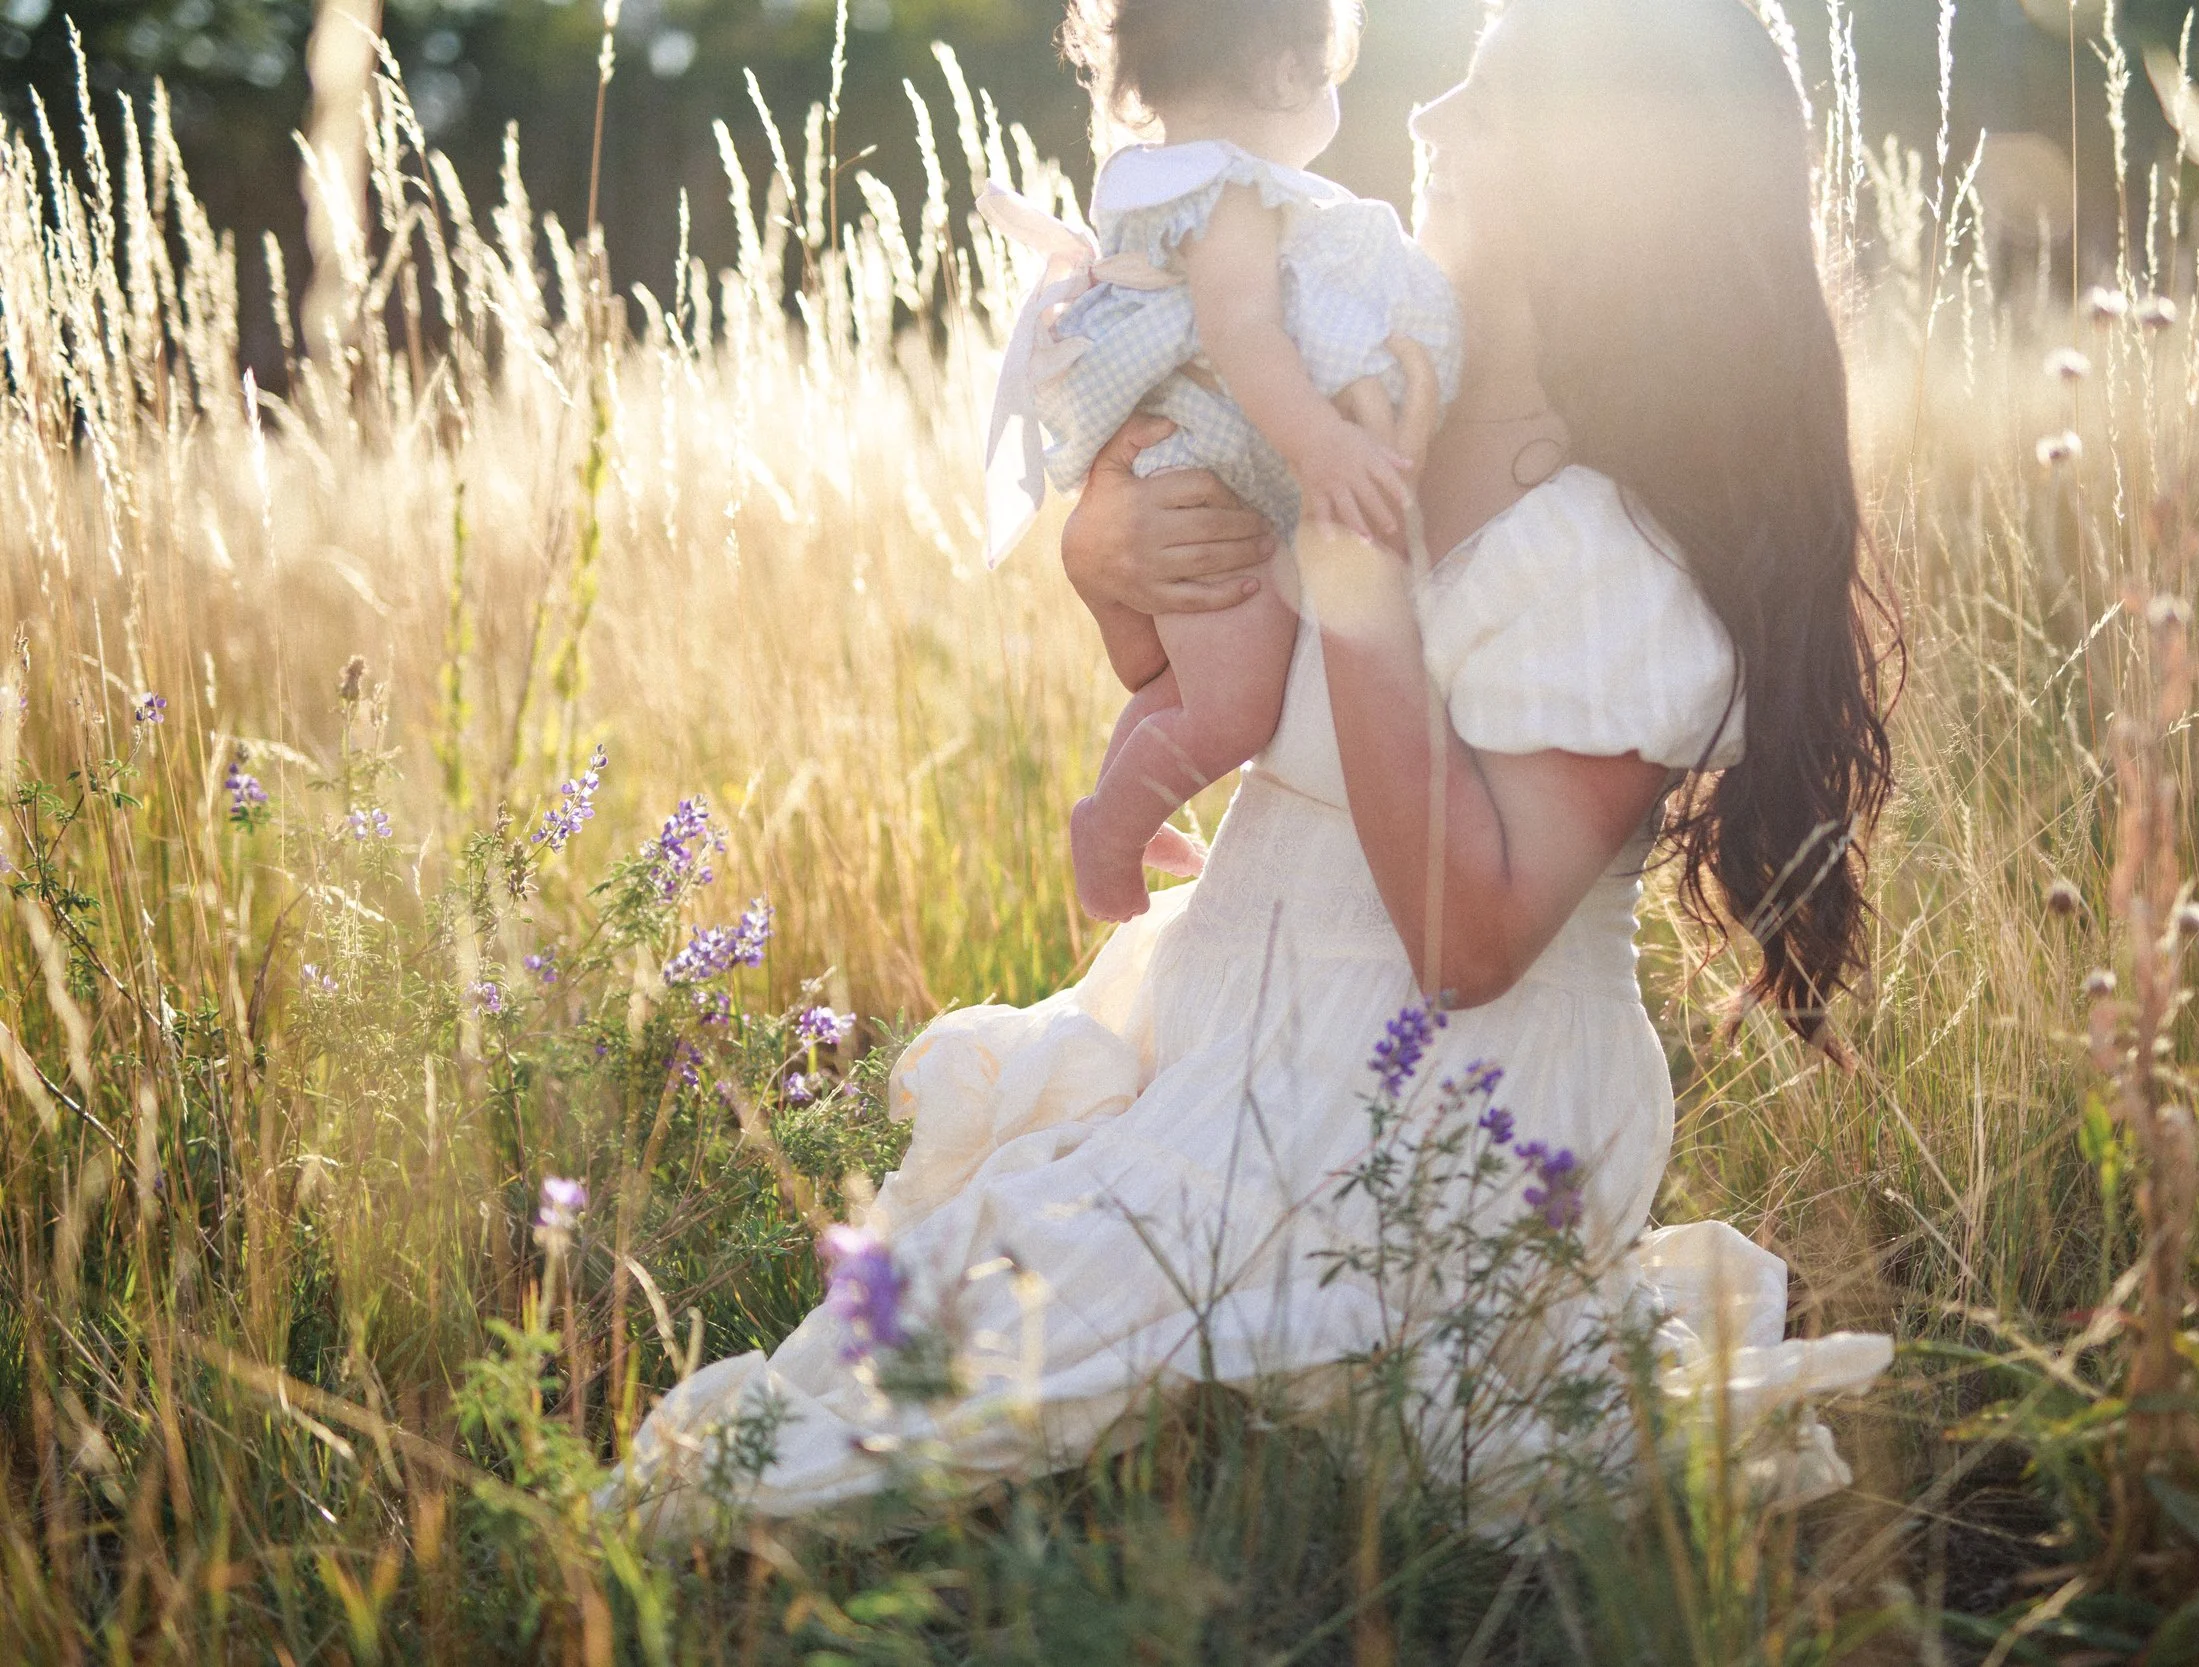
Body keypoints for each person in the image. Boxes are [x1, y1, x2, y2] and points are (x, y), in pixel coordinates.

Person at [613, 0, 1898, 1532]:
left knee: (955, 1402)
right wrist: (1108, 549)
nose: (1424, 124)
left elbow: (1466, 937)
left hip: (1452, 1101)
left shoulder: (1619, 549)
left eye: (1480, 106)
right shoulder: (1368, 355)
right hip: (1228, 1027)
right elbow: (1206, 683)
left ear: (1594, 176)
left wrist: (1356, 572)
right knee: (935, 1326)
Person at [981, 0, 1462, 923]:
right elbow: (1239, 328)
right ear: (1289, 74)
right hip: (1204, 470)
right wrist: (1322, 445)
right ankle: (1109, 833)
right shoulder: (1234, 188)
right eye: (1330, 78)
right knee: (1234, 715)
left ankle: (1130, 798)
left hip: (1182, 464)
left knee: (1184, 688)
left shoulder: (1154, 177)